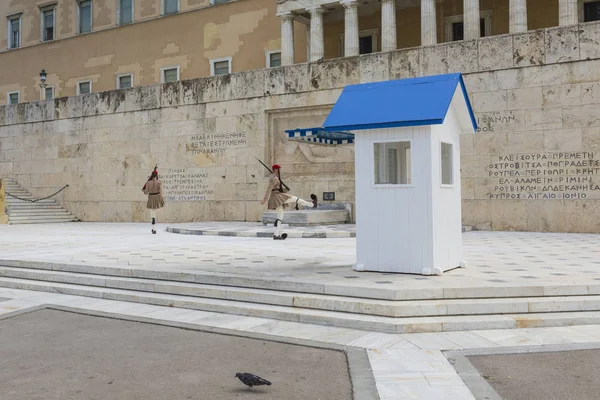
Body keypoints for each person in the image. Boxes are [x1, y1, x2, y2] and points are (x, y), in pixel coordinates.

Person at [261, 164, 313, 240]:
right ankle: (309, 204)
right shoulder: (274, 178)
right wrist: (264, 200)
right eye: (279, 169)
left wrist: (285, 190)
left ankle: (276, 235)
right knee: (294, 198)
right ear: (276, 170)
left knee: (280, 216)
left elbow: (277, 188)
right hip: (277, 197)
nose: (280, 170)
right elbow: (269, 189)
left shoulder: (276, 177)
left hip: (277, 195)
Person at [142, 166, 165, 234]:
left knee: (152, 212)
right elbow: (161, 191)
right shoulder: (159, 182)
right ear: (157, 175)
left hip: (151, 198)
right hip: (157, 198)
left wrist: (144, 190)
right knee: (155, 211)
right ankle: (154, 224)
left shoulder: (148, 183)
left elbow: (146, 193)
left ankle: (153, 227)